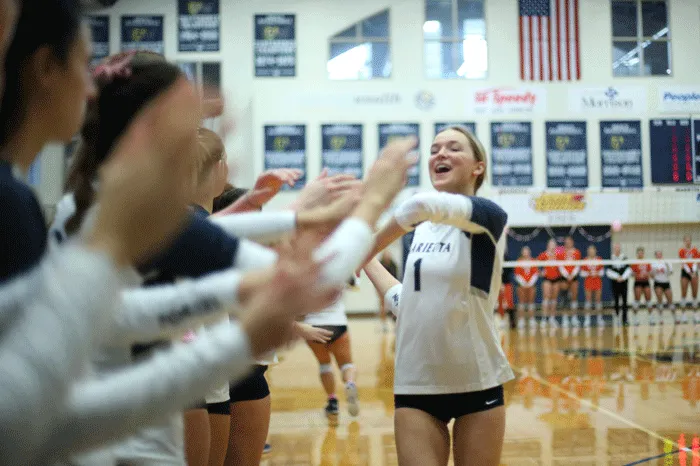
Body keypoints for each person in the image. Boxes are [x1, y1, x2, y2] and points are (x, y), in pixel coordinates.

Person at [361, 126, 513, 466]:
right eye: (434, 149)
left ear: (478, 166)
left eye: (453, 148)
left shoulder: (487, 217)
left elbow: (420, 203)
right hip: (416, 385)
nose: (440, 154)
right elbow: (407, 302)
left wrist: (363, 245)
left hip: (477, 381)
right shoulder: (420, 230)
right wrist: (366, 260)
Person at [538, 239, 562, 329]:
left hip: (556, 279)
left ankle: (552, 318)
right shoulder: (543, 255)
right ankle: (544, 319)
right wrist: (541, 272)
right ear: (548, 245)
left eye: (554, 244)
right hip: (547, 279)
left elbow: (563, 265)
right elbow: (536, 265)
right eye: (551, 244)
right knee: (546, 297)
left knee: (554, 299)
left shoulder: (558, 255)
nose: (552, 246)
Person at [558, 236, 581, 328]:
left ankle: (574, 318)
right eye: (566, 242)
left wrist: (572, 275)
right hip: (564, 277)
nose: (568, 243)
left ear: (572, 242)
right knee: (564, 298)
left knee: (574, 297)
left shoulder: (577, 252)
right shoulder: (561, 252)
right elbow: (559, 265)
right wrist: (566, 275)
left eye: (569, 242)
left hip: (574, 277)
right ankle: (565, 318)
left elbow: (578, 265)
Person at [579, 245, 604, 328]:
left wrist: (597, 273)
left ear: (595, 251)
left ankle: (599, 319)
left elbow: (602, 272)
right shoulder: (585, 260)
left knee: (598, 300)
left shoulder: (599, 259)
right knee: (588, 300)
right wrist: (589, 273)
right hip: (588, 282)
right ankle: (587, 319)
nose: (591, 252)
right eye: (590, 250)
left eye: (593, 250)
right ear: (588, 252)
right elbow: (582, 273)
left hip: (597, 282)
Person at [606, 243, 631, 326]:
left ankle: (625, 319)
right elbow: (608, 271)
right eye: (615, 248)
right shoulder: (611, 258)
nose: (617, 249)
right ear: (613, 249)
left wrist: (622, 277)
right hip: (615, 282)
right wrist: (617, 277)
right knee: (616, 300)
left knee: (624, 301)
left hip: (624, 282)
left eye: (618, 248)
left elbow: (628, 269)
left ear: (620, 249)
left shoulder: (624, 258)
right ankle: (617, 318)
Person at [514, 246, 538, 330]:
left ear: (529, 252)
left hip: (531, 285)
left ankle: (531, 319)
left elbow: (535, 274)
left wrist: (530, 283)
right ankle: (521, 320)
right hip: (521, 285)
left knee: (531, 302)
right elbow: (517, 274)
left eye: (527, 251)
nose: (526, 252)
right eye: (524, 251)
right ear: (522, 252)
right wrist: (524, 283)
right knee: (521, 302)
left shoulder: (533, 261)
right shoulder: (519, 261)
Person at [631, 247, 653, 326]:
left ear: (643, 253)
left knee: (649, 300)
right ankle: (635, 318)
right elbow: (632, 274)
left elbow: (651, 273)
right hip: (638, 282)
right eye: (639, 253)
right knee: (637, 300)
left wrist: (647, 274)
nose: (640, 254)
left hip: (646, 281)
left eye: (642, 253)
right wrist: (638, 275)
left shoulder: (647, 262)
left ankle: (651, 318)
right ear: (637, 254)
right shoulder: (634, 262)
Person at [651, 250, 674, 325]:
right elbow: (651, 275)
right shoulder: (653, 263)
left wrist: (667, 269)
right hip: (658, 283)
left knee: (670, 301)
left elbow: (671, 272)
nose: (659, 255)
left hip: (666, 283)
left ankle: (675, 317)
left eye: (660, 254)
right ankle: (661, 318)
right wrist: (654, 273)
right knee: (660, 300)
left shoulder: (666, 262)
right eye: (657, 254)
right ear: (655, 256)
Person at [679, 235, 699, 319]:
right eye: (686, 240)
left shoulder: (695, 250)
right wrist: (690, 273)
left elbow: (696, 262)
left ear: (691, 241)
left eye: (689, 240)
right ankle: (683, 314)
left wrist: (694, 272)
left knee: (694, 293)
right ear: (684, 241)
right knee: (684, 293)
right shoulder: (681, 250)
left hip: (694, 271)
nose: (688, 242)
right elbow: (683, 263)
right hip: (685, 272)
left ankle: (695, 314)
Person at [378, 250, 399, 329]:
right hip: (380, 286)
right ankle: (383, 324)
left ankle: (396, 323)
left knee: (395, 304)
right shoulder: (380, 264)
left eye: (388, 255)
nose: (387, 257)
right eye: (386, 255)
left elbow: (395, 277)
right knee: (382, 305)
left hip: (391, 286)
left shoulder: (393, 265)